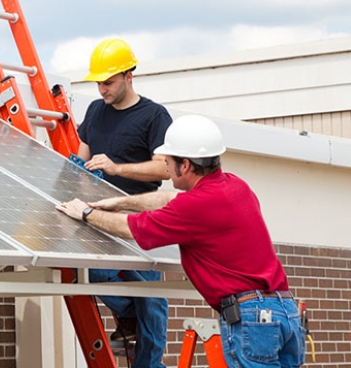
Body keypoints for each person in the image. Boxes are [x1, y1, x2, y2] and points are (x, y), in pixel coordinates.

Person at [57, 114, 306, 368]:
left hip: (252, 319)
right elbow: (168, 199)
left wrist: (86, 213)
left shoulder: (194, 207)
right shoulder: (236, 186)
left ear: (184, 165)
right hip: (285, 311)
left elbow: (131, 228)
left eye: (168, 162)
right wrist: (121, 201)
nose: (166, 168)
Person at [77, 38, 172, 368]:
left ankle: (149, 364)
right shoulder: (94, 111)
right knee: (94, 275)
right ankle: (129, 316)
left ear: (128, 76)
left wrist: (116, 168)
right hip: (100, 214)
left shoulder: (154, 116)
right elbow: (80, 158)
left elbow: (165, 168)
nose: (102, 88)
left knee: (151, 297)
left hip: (139, 215)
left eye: (108, 82)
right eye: (98, 82)